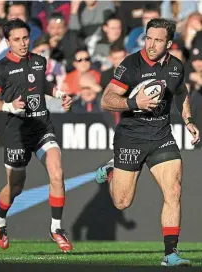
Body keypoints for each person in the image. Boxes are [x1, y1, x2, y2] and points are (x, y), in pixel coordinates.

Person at [96, 18, 200, 266]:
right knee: (122, 202)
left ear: (169, 43)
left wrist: (188, 120)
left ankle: (170, 255)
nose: (151, 44)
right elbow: (106, 99)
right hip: (131, 136)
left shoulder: (175, 67)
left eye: (158, 40)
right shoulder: (131, 65)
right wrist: (134, 103)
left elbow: (181, 92)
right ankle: (113, 169)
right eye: (148, 38)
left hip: (161, 136)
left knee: (173, 191)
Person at [0, 19, 73, 253]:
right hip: (17, 133)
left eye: (25, 38)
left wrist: (59, 94)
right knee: (15, 187)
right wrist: (9, 107)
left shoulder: (39, 61)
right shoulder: (1, 68)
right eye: (17, 39)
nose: (23, 43)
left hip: (42, 127)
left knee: (57, 172)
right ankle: (0, 219)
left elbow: (42, 85)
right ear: (7, 42)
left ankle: (56, 228)